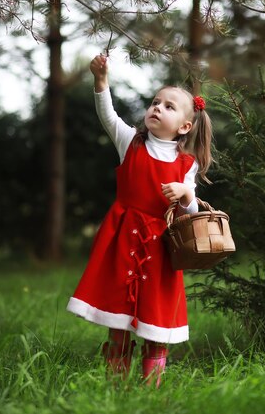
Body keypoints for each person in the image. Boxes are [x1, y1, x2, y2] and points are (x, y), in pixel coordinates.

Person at [66, 54, 213, 387]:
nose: (158, 108)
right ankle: (115, 382)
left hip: (160, 248)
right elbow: (107, 115)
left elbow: (192, 215)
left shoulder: (185, 164)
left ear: (185, 126)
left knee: (155, 316)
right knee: (118, 312)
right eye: (155, 102)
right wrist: (101, 81)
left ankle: (152, 387)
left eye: (169, 106)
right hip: (123, 239)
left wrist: (186, 194)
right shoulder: (130, 142)